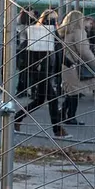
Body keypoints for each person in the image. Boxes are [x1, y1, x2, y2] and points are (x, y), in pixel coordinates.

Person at [16, 10, 67, 138]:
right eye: (52, 20)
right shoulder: (38, 32)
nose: (55, 23)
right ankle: (57, 130)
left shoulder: (49, 32)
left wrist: (69, 63)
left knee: (39, 100)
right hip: (41, 71)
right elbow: (26, 49)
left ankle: (17, 118)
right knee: (53, 99)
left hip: (45, 70)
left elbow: (58, 51)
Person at [57, 10, 95, 128]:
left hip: (65, 64)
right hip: (74, 66)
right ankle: (70, 117)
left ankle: (61, 114)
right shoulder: (79, 32)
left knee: (70, 91)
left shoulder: (64, 31)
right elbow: (84, 51)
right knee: (75, 92)